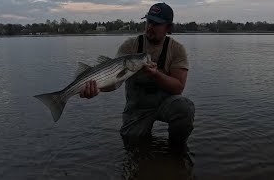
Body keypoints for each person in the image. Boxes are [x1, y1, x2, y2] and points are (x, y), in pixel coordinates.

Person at [80, 2, 195, 149]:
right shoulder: (130, 45)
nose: (150, 27)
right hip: (136, 107)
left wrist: (156, 75)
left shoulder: (177, 49)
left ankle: (176, 152)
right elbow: (115, 82)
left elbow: (178, 88)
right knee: (132, 145)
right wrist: (97, 89)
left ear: (169, 28)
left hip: (166, 104)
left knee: (184, 107)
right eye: (148, 21)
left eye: (156, 23)